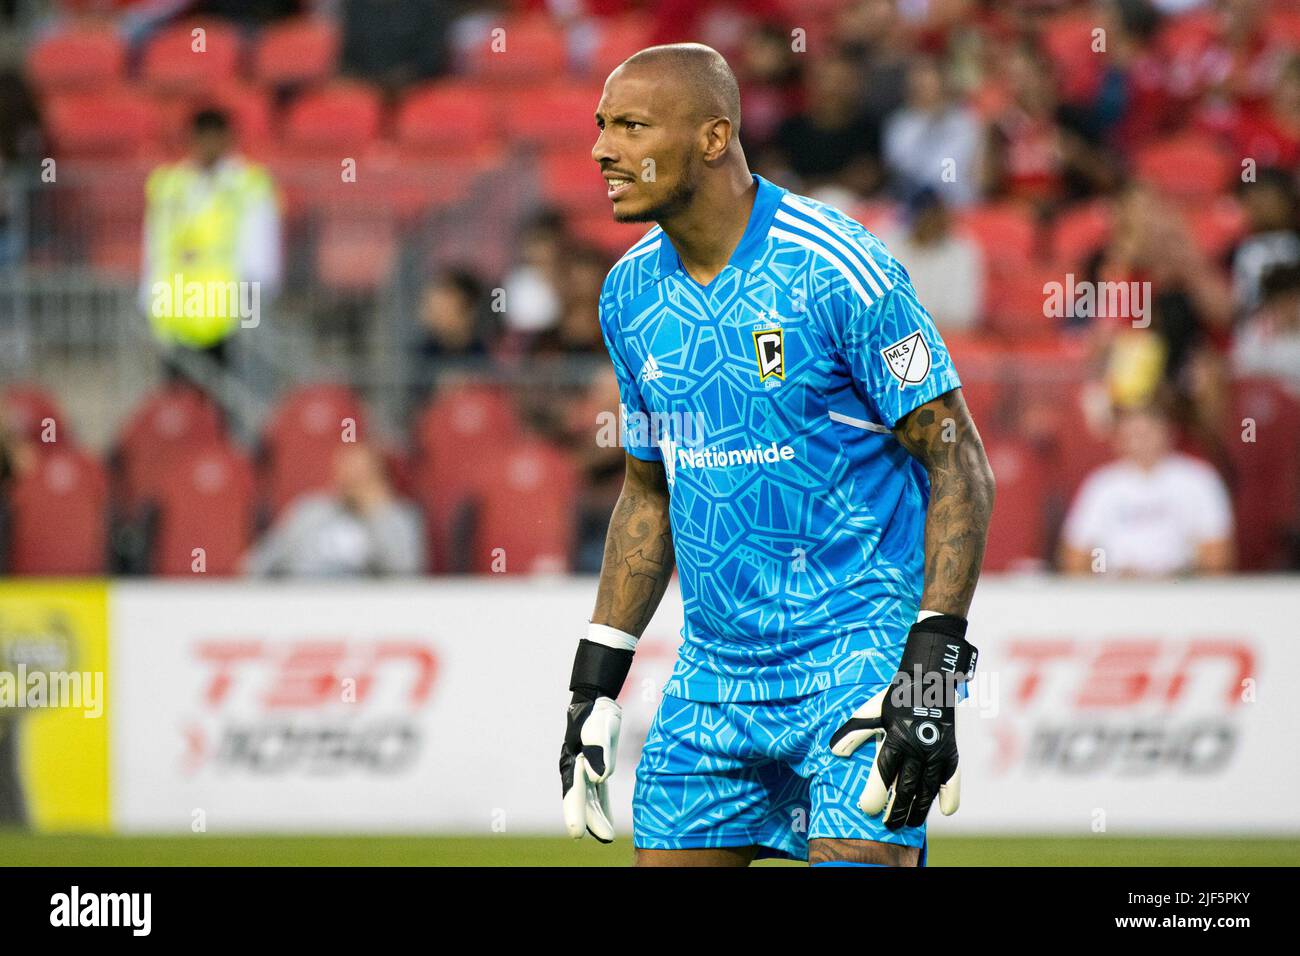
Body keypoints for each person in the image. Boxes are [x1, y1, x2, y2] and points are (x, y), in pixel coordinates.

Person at [560, 44, 995, 868]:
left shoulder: (838, 266)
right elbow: (647, 493)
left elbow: (958, 460)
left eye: (631, 126)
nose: (602, 149)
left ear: (714, 136)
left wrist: (930, 674)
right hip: (713, 673)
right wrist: (595, 679)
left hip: (858, 656)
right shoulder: (627, 293)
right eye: (600, 126)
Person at [140, 108, 281, 380]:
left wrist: (251, 313)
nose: (207, 145)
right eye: (201, 137)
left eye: (214, 137)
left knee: (226, 404)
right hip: (176, 315)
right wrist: (150, 301)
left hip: (227, 319)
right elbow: (155, 247)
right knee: (179, 410)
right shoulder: (169, 185)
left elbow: (259, 255)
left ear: (228, 139)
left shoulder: (247, 184)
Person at [1059, 402, 1234, 577]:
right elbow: (1076, 555)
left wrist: (1173, 577)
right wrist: (1109, 573)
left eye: (1147, 433)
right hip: (1116, 593)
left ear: (1168, 433)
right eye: (1132, 434)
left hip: (1181, 591)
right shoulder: (1103, 485)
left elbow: (1217, 558)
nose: (1140, 441)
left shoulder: (1198, 479)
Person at [242, 444, 424, 577]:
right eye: (348, 473)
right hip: (303, 604)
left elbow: (407, 575)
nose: (353, 483)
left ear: (380, 477)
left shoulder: (397, 516)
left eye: (362, 475)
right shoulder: (310, 511)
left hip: (362, 610)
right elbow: (257, 564)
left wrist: (379, 514)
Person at [878, 187, 983, 332]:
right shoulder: (884, 243)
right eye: (928, 216)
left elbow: (962, 314)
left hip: (945, 337)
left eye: (938, 216)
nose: (933, 223)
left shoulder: (962, 249)